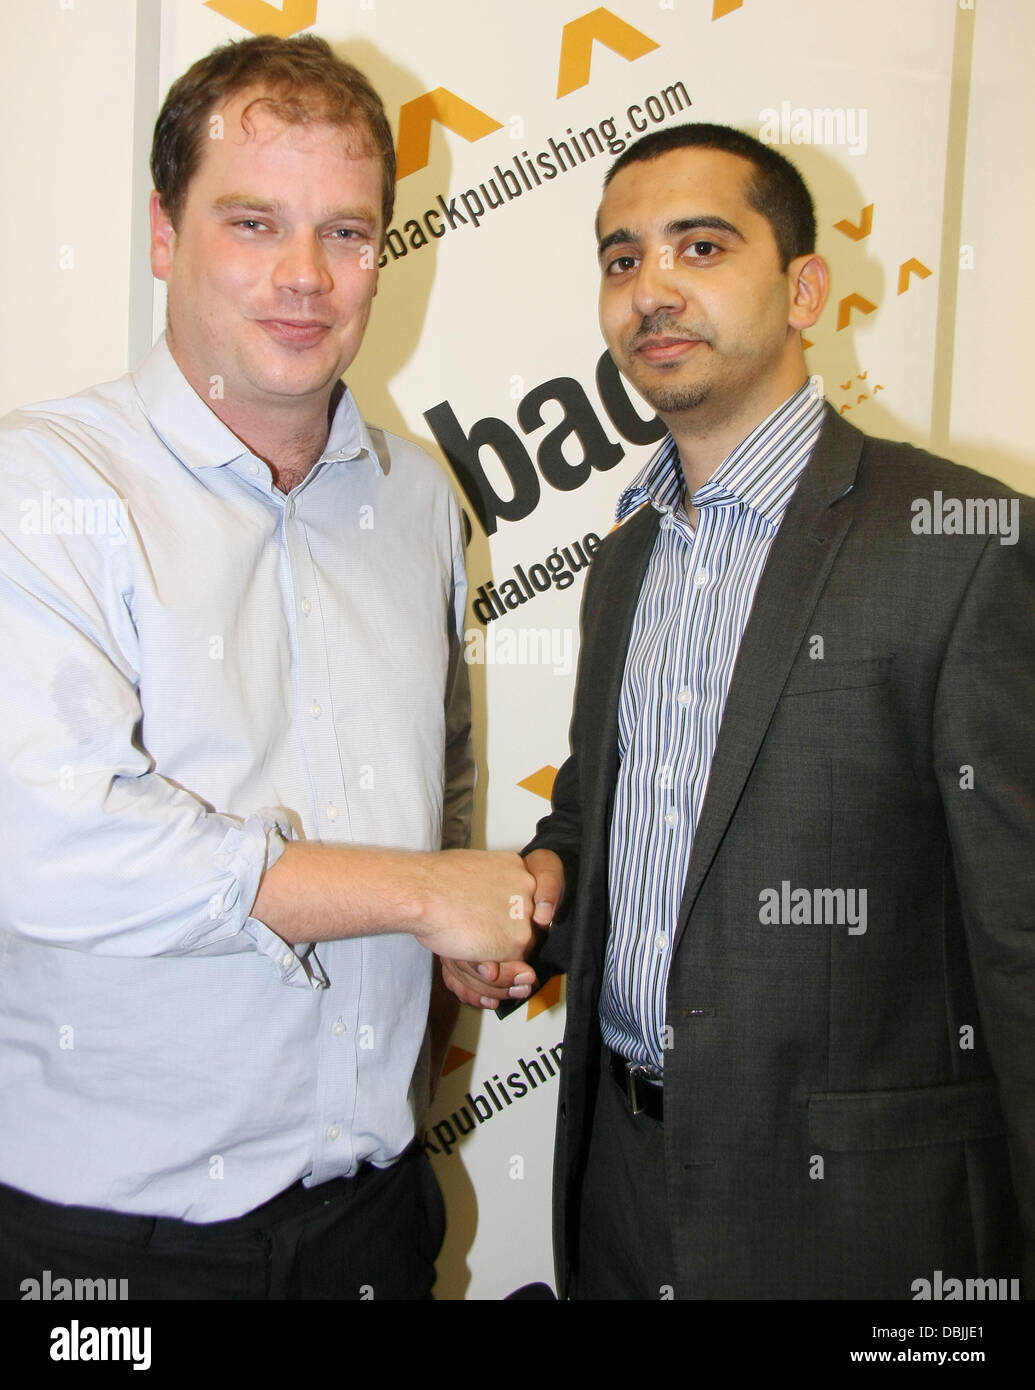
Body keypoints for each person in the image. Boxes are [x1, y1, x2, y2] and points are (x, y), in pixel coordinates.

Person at [445, 123, 1034, 1299]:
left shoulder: (964, 547)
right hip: (620, 1184)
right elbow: (597, 818)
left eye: (700, 246)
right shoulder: (623, 559)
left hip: (861, 1229)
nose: (652, 289)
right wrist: (536, 901)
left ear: (804, 287)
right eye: (621, 259)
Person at [0, 34, 537, 1301]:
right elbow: (49, 843)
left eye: (347, 233)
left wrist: (448, 934)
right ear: (161, 233)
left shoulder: (417, 503)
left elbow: (434, 791)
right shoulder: (47, 485)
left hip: (373, 1223)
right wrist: (415, 894)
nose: (304, 279)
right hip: (106, 1256)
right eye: (253, 223)